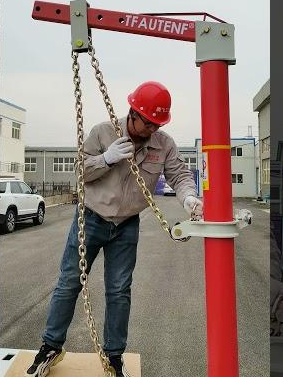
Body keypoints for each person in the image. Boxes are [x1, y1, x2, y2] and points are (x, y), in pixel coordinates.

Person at [27, 81, 202, 377]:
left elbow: (179, 175)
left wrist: (189, 197)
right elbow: (79, 172)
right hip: (91, 217)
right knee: (70, 281)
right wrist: (105, 159)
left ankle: (114, 356)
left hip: (126, 224)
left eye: (157, 124)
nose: (152, 130)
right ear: (133, 113)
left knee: (120, 290)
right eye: (148, 123)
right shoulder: (102, 132)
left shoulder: (164, 143)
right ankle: (51, 346)